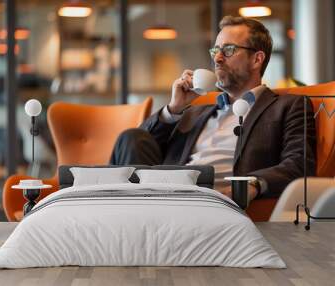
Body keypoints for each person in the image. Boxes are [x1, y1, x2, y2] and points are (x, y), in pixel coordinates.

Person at [110, 16, 316, 201]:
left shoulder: (287, 106)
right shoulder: (195, 112)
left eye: (228, 50)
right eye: (215, 50)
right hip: (169, 193)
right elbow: (135, 151)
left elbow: (299, 164)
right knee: (130, 137)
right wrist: (174, 108)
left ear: (257, 59)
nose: (217, 58)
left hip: (217, 200)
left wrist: (252, 184)